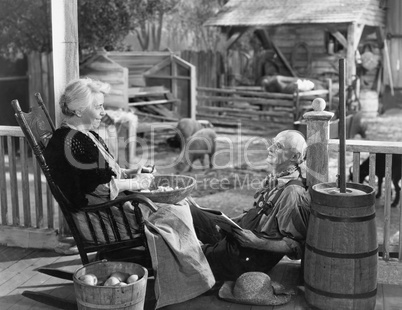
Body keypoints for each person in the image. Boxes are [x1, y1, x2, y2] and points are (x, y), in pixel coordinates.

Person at [189, 130, 311, 281]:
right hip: (239, 237)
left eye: (278, 146)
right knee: (189, 210)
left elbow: (296, 247)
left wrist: (258, 243)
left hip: (248, 257)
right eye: (272, 143)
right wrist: (227, 222)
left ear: (295, 157)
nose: (270, 148)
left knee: (185, 256)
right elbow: (260, 214)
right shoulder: (279, 178)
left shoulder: (292, 193)